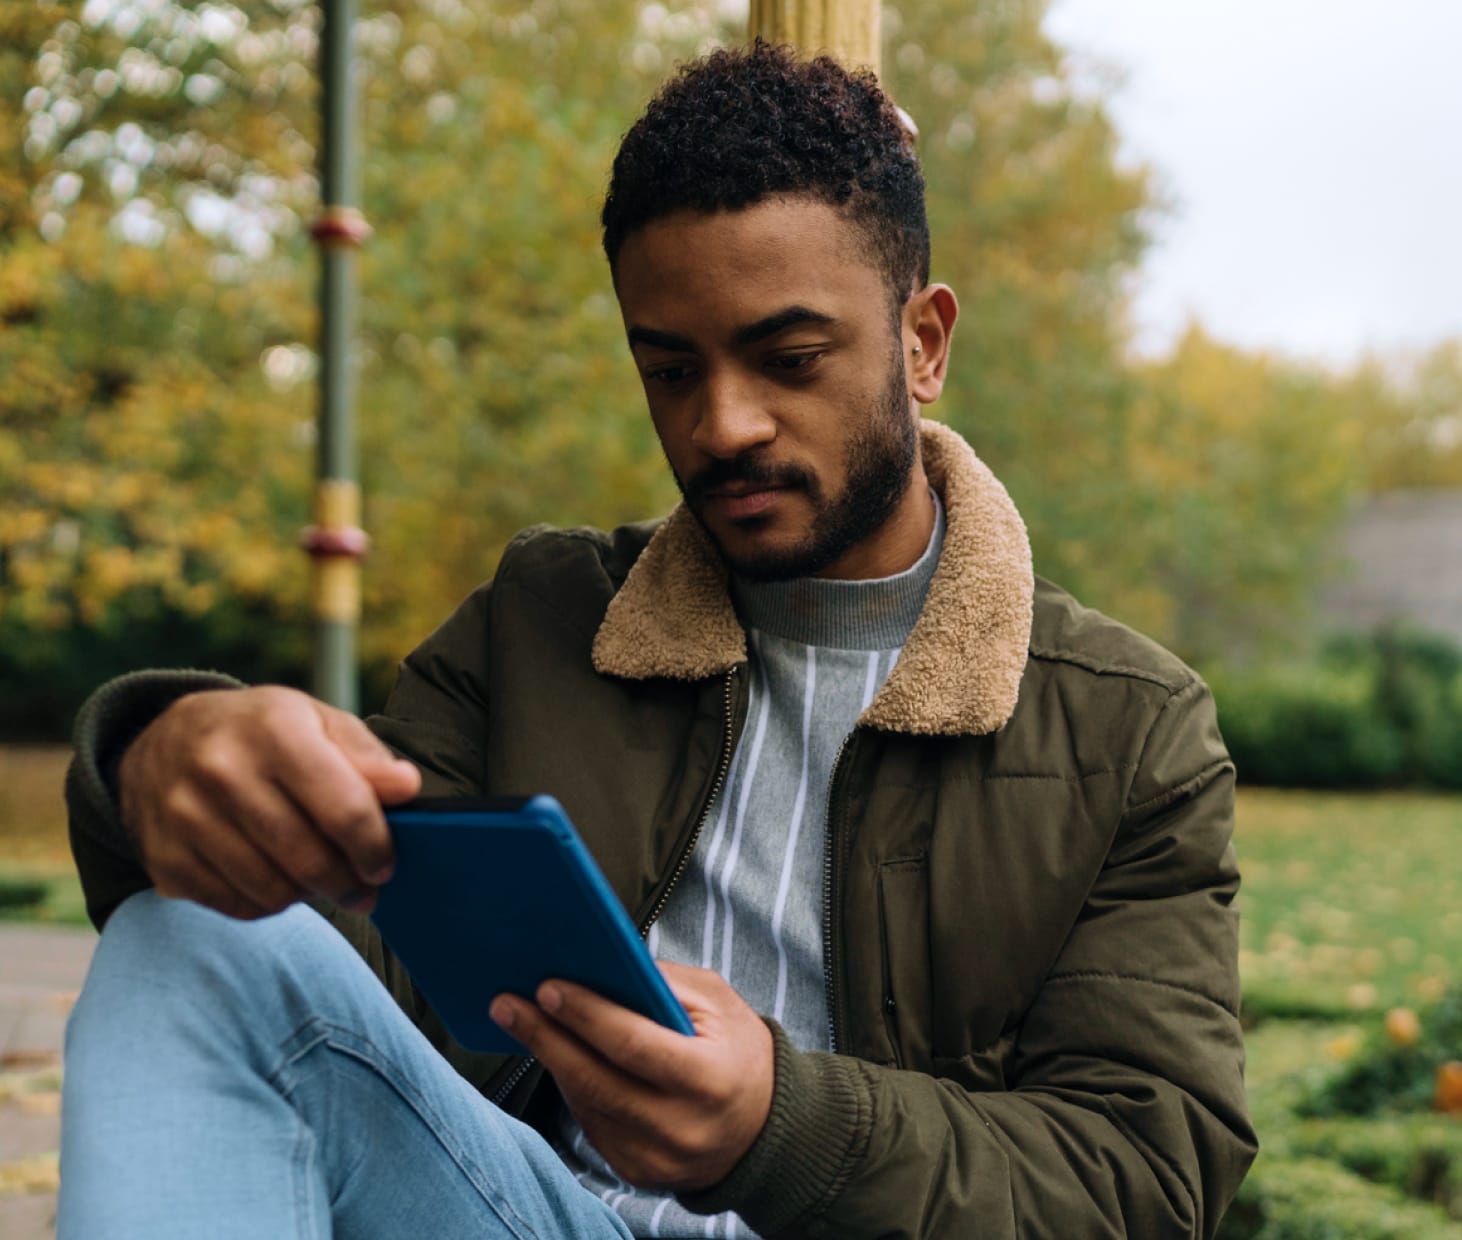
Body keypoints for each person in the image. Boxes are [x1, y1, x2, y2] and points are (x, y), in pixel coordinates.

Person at [59, 43, 1255, 1240]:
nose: (720, 424)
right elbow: (338, 959)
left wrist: (778, 1123)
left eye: (789, 360)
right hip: (525, 1217)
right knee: (183, 939)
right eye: (669, 368)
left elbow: (1142, 1184)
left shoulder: (1128, 729)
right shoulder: (540, 618)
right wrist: (163, 758)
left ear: (922, 343)